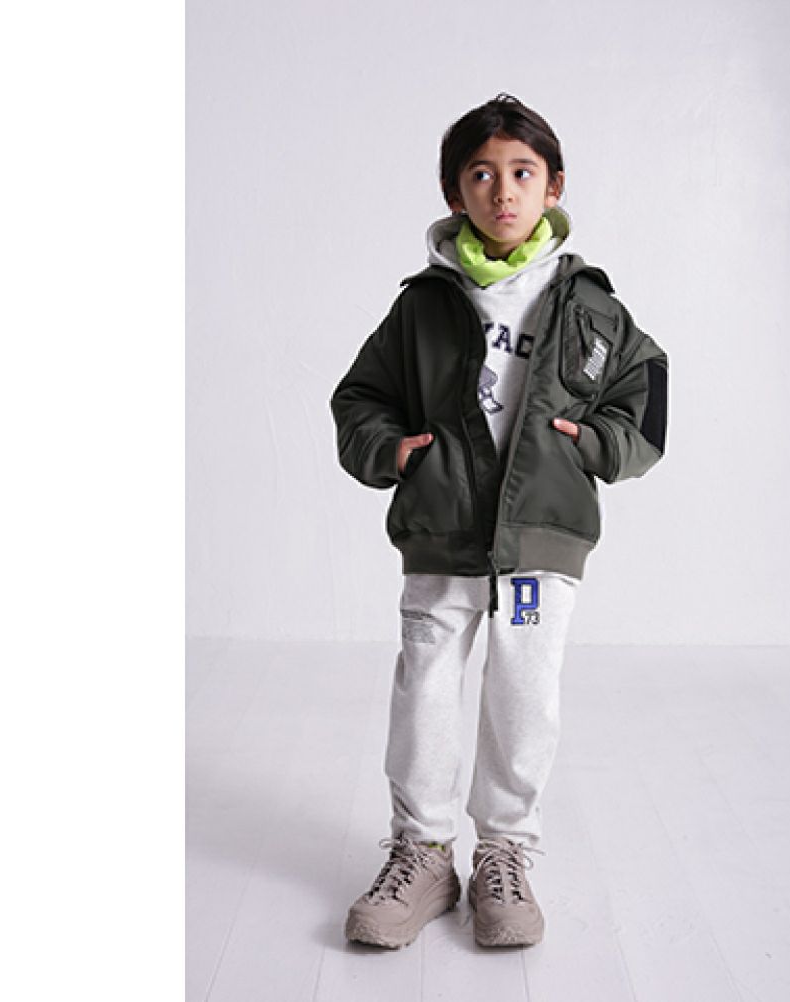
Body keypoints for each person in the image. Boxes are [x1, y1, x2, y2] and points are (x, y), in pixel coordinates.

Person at [330, 93, 668, 949]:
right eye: (481, 175)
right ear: (456, 194)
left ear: (554, 186)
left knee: (524, 698)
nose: (503, 190)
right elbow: (360, 396)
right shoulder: (425, 304)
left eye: (522, 172)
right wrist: (395, 453)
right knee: (426, 691)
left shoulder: (588, 303)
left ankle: (505, 855)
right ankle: (422, 853)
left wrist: (597, 446)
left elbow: (645, 392)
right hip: (441, 528)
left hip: (542, 530)